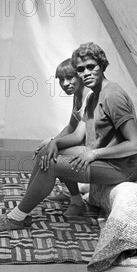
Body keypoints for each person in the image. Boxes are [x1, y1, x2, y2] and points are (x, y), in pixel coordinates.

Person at [0, 43, 137, 231]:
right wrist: (54, 142)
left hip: (122, 167)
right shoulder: (92, 96)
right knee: (48, 154)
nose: (85, 73)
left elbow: (135, 144)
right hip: (103, 157)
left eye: (91, 66)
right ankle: (27, 211)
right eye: (80, 69)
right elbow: (79, 133)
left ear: (102, 65)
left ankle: (15, 219)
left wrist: (93, 154)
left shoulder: (112, 95)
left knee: (51, 166)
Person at [35, 59, 90, 206]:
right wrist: (52, 140)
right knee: (46, 146)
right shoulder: (77, 95)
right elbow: (71, 126)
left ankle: (76, 201)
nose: (65, 83)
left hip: (93, 147)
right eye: (61, 79)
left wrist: (54, 143)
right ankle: (71, 193)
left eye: (70, 77)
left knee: (54, 153)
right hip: (84, 142)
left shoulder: (89, 96)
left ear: (80, 75)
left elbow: (79, 136)